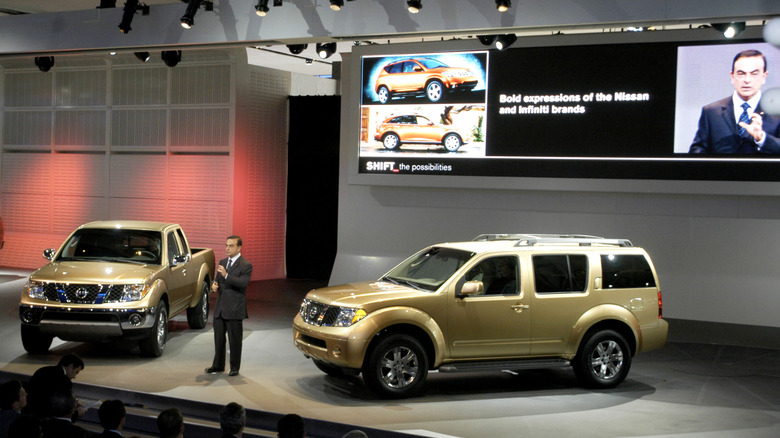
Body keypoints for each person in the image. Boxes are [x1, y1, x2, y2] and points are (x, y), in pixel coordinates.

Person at [689, 49, 780, 154]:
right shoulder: (711, 111)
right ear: (732, 76)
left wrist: (762, 138)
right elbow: (697, 150)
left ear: (764, 76)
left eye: (754, 74)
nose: (747, 80)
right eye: (741, 74)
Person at [205, 235, 253, 377]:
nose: (227, 248)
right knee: (219, 340)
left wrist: (226, 276)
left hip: (234, 308)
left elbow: (243, 283)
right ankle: (218, 365)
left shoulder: (246, 265)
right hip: (220, 309)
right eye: (226, 245)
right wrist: (215, 285)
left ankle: (234, 368)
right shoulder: (223, 262)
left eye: (231, 245)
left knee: (235, 341)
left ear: (239, 248)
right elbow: (218, 280)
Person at [26, 354, 85, 419]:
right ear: (71, 366)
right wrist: (76, 413)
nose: (74, 377)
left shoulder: (42, 370)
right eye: (76, 372)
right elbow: (59, 408)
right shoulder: (65, 381)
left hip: (29, 414)